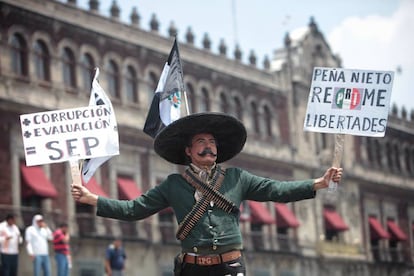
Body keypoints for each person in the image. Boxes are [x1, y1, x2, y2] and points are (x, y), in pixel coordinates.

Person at [71, 112, 343, 276]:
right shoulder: (173, 184)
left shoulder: (237, 178)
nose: (208, 146)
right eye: (201, 142)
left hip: (230, 267)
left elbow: (277, 190)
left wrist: (318, 182)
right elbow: (133, 209)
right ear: (188, 151)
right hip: (192, 269)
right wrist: (92, 199)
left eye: (212, 142)